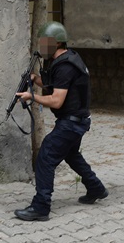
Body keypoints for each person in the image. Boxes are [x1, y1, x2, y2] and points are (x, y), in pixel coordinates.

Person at [13, 21, 108, 221]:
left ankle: (41, 207)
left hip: (72, 122)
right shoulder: (67, 58)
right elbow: (53, 84)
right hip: (77, 120)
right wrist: (34, 78)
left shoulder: (65, 66)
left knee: (45, 157)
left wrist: (32, 97)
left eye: (45, 43)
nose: (42, 47)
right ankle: (96, 188)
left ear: (57, 43)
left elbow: (56, 100)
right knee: (72, 155)